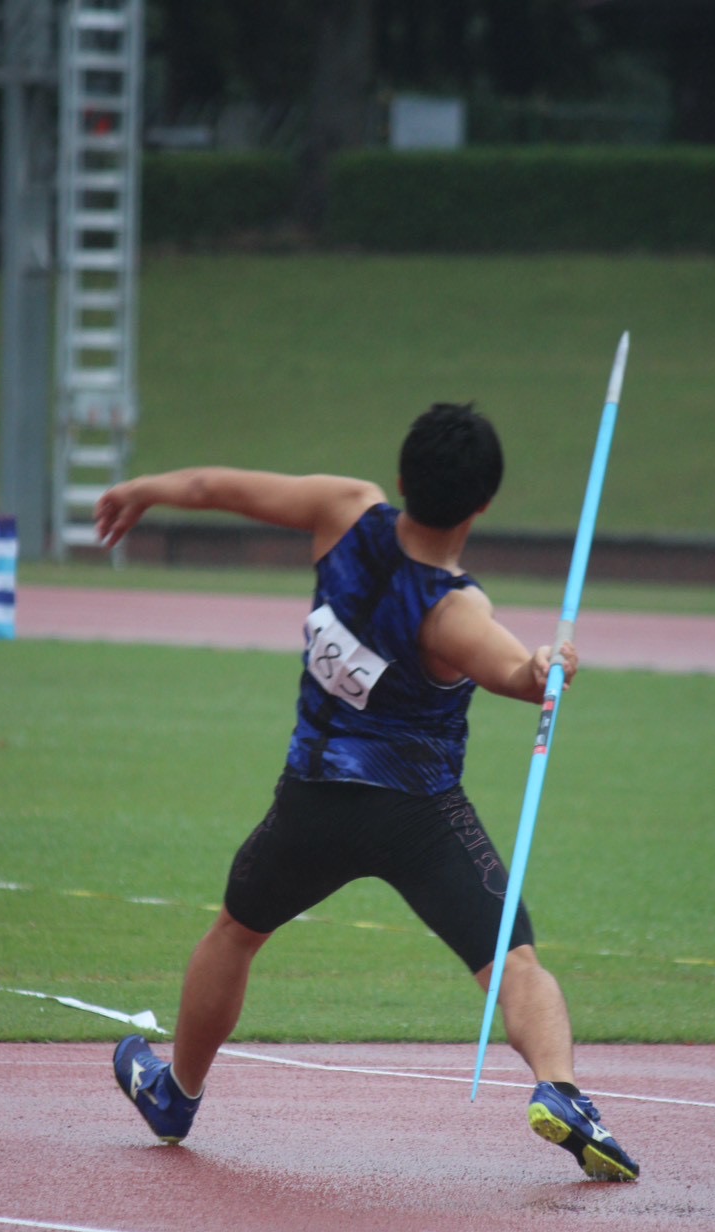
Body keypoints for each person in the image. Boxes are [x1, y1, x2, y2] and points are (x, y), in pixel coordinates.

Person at [95, 403, 639, 1181]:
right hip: (418, 815)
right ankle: (562, 1092)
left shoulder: (342, 509)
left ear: (401, 475)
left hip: (310, 801)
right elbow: (519, 676)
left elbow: (218, 485)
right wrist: (548, 663)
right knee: (512, 960)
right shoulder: (455, 612)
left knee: (235, 933)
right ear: (483, 504)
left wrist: (146, 488)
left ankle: (175, 1093)